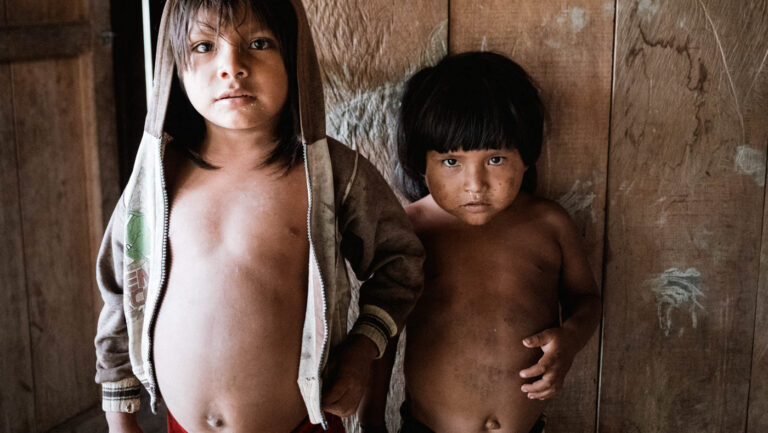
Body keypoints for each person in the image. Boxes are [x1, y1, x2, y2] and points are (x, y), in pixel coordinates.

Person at [93, 1, 424, 432]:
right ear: (174, 66)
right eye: (204, 45)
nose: (232, 66)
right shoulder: (154, 182)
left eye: (259, 43)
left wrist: (363, 348)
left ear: (294, 59)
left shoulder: (330, 175)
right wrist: (121, 421)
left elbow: (399, 263)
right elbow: (121, 289)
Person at [358, 52, 601, 433]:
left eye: (496, 159)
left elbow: (586, 300)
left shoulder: (549, 224)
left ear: (527, 158)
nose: (475, 184)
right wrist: (370, 420)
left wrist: (568, 341)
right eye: (451, 162)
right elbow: (381, 332)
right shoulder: (409, 231)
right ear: (421, 163)